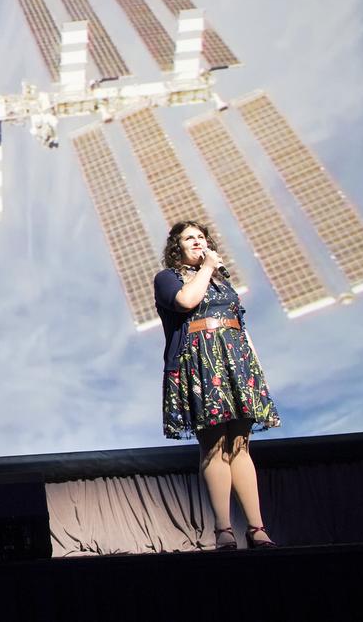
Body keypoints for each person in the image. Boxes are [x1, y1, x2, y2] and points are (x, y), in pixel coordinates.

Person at [153, 222, 279, 550]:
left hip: (236, 361)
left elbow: (240, 323)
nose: (198, 242)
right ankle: (224, 529)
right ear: (177, 247)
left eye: (201, 237)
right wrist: (207, 267)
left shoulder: (224, 283)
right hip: (199, 361)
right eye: (189, 239)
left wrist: (255, 365)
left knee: (240, 444)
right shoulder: (169, 278)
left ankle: (256, 528)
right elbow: (185, 302)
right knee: (214, 445)